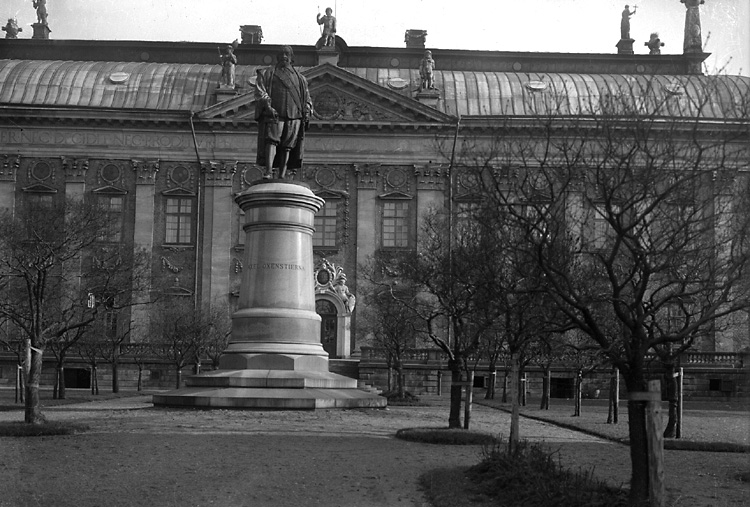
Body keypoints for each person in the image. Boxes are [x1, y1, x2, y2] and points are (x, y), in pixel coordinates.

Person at [254, 45, 312, 179]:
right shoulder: (267, 73)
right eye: (281, 54)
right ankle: (269, 172)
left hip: (294, 115)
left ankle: (282, 174)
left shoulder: (301, 79)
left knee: (288, 145)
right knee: (272, 140)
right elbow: (260, 91)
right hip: (275, 114)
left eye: (287, 54)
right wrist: (267, 106)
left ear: (292, 58)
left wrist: (307, 110)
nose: (284, 57)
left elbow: (307, 98)